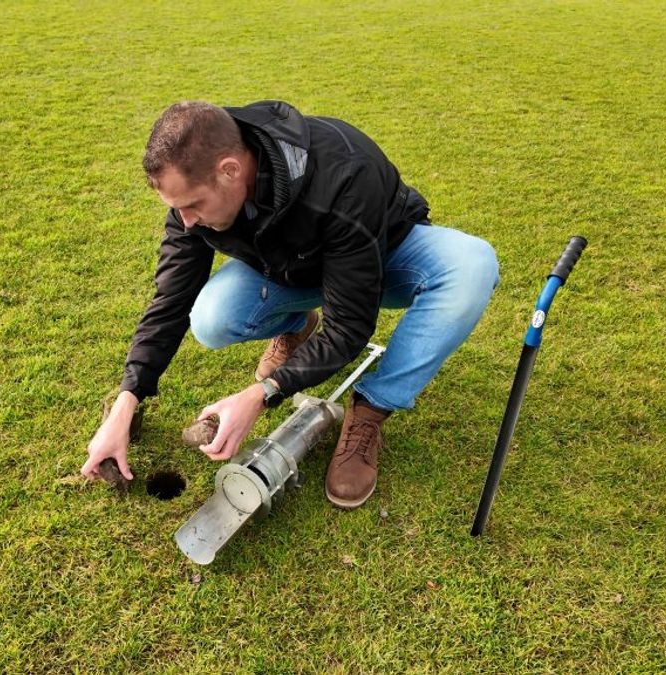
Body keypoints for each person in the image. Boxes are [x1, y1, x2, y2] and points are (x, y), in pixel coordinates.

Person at [81, 100, 499, 509]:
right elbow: (171, 297)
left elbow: (349, 327)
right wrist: (127, 400)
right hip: (293, 269)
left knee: (471, 267)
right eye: (177, 209)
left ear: (230, 170)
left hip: (384, 253)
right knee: (212, 317)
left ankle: (372, 408)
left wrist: (263, 394)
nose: (185, 221)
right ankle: (295, 324)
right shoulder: (194, 187)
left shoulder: (344, 175)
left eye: (191, 205)